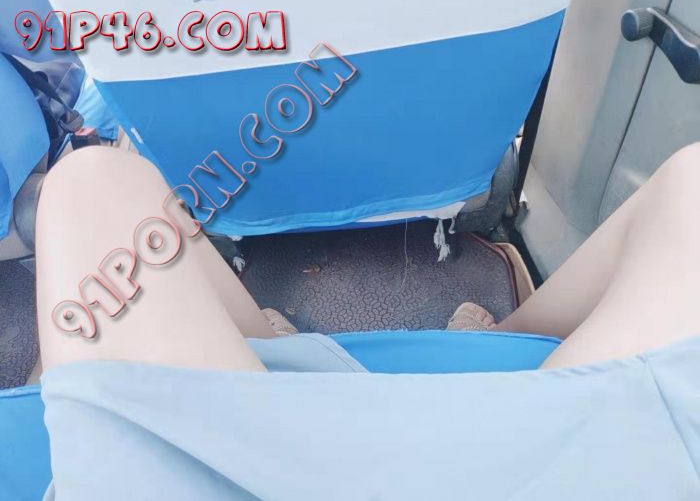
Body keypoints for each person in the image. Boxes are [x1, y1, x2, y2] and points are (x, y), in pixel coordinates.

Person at [35, 144, 700, 500]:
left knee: (90, 180)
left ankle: (266, 348)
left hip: (217, 470)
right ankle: (497, 344)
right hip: (572, 469)